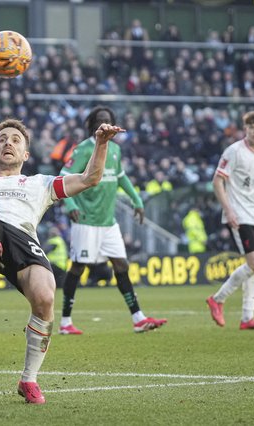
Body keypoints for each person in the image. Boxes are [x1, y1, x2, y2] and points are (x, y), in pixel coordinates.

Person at [0, 118, 121, 404]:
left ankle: (28, 380)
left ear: (26, 154)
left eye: (15, 139)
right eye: (1, 139)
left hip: (22, 242)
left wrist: (101, 143)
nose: (7, 142)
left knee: (45, 297)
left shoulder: (40, 183)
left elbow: (90, 178)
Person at [59, 106, 167, 335]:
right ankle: (65, 322)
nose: (105, 124)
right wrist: (70, 204)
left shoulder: (115, 150)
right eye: (100, 121)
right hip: (86, 220)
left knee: (121, 265)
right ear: (93, 125)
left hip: (108, 222)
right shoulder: (84, 149)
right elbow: (63, 175)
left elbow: (121, 177)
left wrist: (136, 199)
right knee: (78, 268)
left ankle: (138, 318)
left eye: (108, 120)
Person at [206, 111, 254, 330]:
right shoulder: (234, 151)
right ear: (245, 129)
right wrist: (228, 210)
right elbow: (217, 181)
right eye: (251, 127)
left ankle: (247, 317)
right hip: (238, 214)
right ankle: (217, 299)